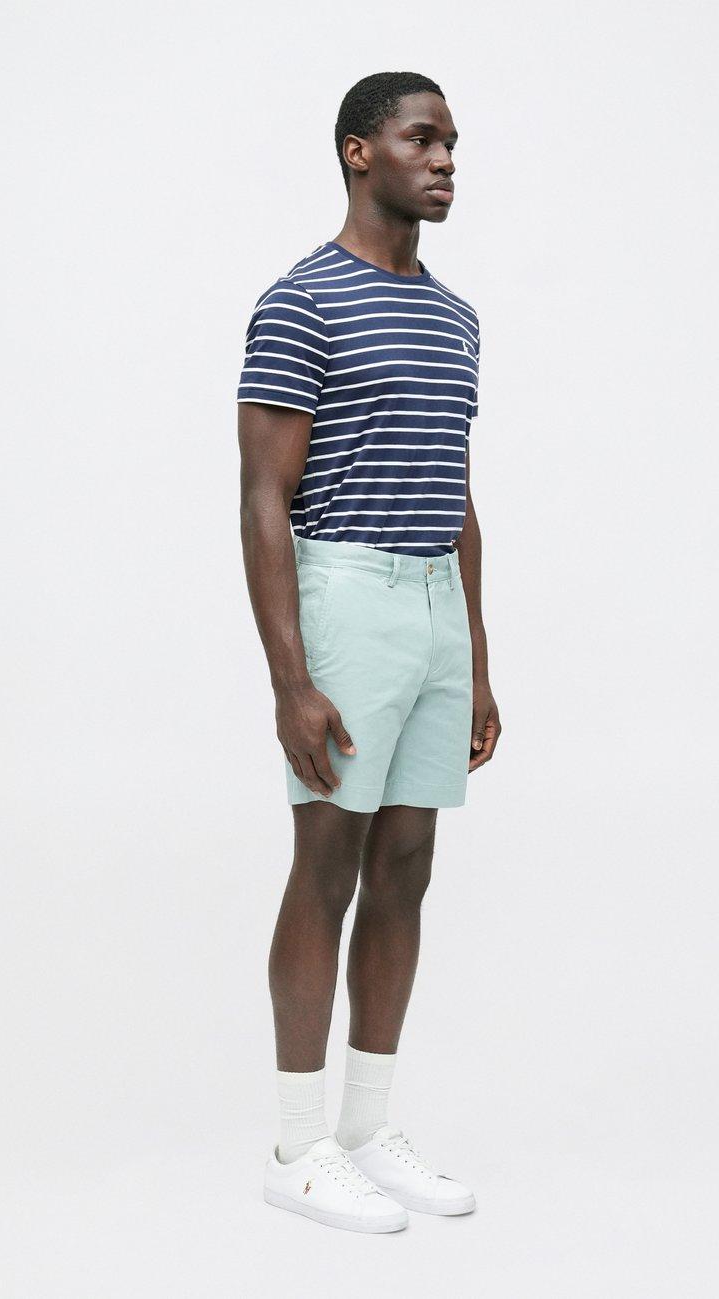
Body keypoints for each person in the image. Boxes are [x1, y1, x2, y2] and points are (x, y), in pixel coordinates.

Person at [236, 71, 501, 1233]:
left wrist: (476, 656)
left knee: (406, 866)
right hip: (344, 594)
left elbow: (457, 493)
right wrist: (291, 678)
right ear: (359, 151)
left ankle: (365, 1129)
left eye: (451, 144)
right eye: (421, 139)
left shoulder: (455, 317)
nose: (445, 161)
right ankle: (296, 1148)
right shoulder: (302, 301)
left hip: (436, 603)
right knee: (329, 863)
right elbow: (263, 498)